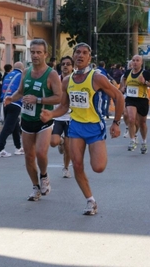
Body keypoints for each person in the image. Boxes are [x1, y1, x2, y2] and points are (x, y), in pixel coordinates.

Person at [40, 42, 124, 215]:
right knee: (77, 165)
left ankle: (97, 152)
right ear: (73, 55)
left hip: (94, 127)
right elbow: (64, 106)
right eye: (77, 52)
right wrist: (51, 114)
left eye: (84, 53)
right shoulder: (67, 80)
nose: (80, 55)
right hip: (75, 126)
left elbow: (118, 96)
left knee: (98, 167)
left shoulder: (97, 77)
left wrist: (116, 122)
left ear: (89, 58)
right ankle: (90, 201)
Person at [4, 39, 62, 201]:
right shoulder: (26, 72)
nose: (35, 55)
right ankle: (35, 187)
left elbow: (58, 98)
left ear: (45, 54)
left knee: (40, 153)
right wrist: (11, 98)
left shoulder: (51, 74)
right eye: (33, 52)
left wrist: (38, 100)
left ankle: (44, 176)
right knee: (29, 156)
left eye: (39, 52)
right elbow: (21, 92)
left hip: (44, 119)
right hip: (27, 120)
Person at [119, 54, 150, 154]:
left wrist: (145, 82)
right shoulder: (128, 72)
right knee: (131, 119)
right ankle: (132, 141)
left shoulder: (145, 73)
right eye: (133, 60)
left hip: (142, 100)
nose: (135, 62)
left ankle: (144, 142)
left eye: (137, 60)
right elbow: (123, 79)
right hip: (131, 99)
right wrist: (123, 87)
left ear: (141, 62)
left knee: (142, 123)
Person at [50, 55, 74, 178]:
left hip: (71, 117)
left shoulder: (76, 80)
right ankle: (61, 141)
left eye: (68, 64)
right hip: (58, 116)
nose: (65, 66)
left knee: (69, 148)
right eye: (63, 64)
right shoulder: (56, 79)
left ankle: (65, 168)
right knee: (53, 142)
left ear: (72, 66)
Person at [0, 62, 24, 157]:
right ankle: (0, 149)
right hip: (15, 103)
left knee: (15, 126)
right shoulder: (21, 75)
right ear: (22, 68)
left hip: (5, 102)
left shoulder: (8, 75)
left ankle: (18, 147)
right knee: (8, 127)